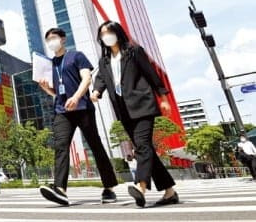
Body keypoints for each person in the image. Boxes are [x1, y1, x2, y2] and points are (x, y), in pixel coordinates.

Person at [91, 20, 179, 207]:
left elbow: (151, 73)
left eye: (109, 32)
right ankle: (169, 191)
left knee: (142, 146)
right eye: (102, 33)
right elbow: (101, 79)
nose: (106, 36)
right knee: (146, 148)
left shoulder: (133, 51)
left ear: (117, 33)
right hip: (123, 110)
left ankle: (141, 186)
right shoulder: (104, 60)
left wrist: (163, 97)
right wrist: (97, 91)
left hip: (142, 104)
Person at [37, 28, 118, 206]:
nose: (51, 41)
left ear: (63, 39)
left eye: (54, 38)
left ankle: (109, 187)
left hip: (82, 108)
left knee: (95, 145)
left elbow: (87, 78)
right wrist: (45, 88)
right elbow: (56, 92)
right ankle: (60, 189)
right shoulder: (50, 64)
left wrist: (76, 97)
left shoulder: (76, 56)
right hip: (62, 110)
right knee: (60, 146)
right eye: (48, 39)